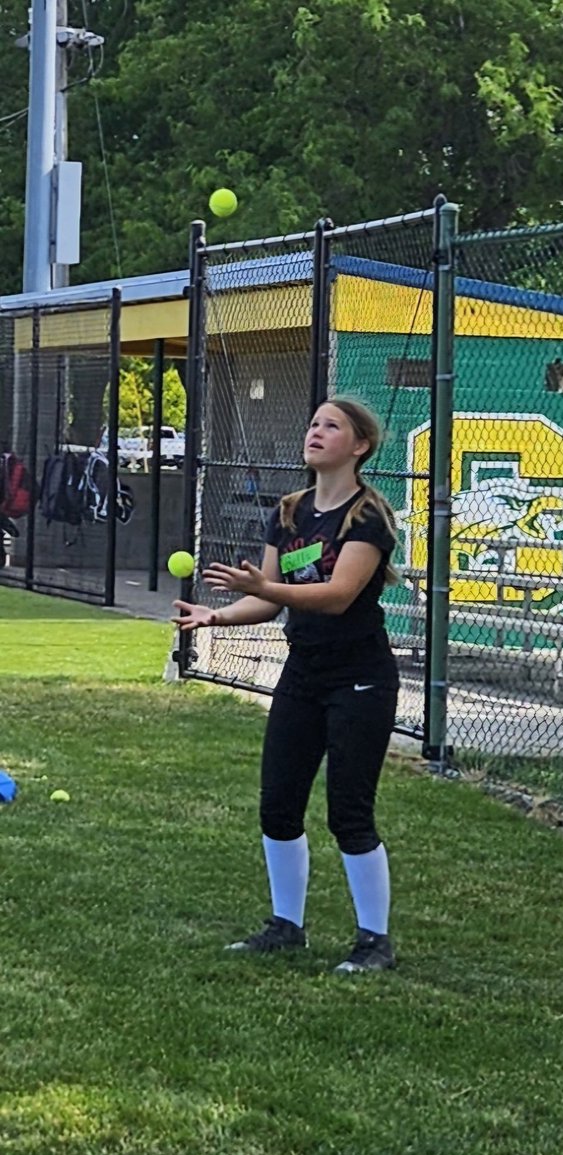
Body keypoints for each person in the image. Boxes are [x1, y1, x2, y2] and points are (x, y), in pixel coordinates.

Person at [173, 398, 400, 973]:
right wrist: (216, 615)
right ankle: (285, 926)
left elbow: (337, 595)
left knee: (349, 813)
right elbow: (268, 600)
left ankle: (374, 941)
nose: (316, 432)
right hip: (303, 673)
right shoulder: (290, 511)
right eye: (314, 423)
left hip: (360, 676)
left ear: (360, 446)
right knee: (278, 805)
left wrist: (265, 589)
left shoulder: (367, 517)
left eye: (332, 426)